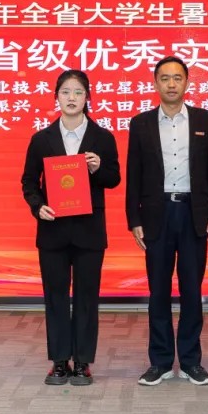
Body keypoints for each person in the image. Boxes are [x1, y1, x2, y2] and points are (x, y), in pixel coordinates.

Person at [126, 55, 208, 386]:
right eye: (165, 78)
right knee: (158, 291)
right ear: (155, 83)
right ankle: (161, 362)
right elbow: (134, 174)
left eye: (177, 78)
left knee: (192, 290)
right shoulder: (141, 123)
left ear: (187, 82)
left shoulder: (204, 120)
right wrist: (134, 218)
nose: (171, 84)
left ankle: (192, 361)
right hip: (156, 215)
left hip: (193, 213)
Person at [21, 69, 121, 386]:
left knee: (87, 297)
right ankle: (59, 361)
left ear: (87, 97)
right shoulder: (42, 139)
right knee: (55, 297)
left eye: (78, 92)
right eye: (65, 92)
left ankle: (82, 362)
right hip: (53, 231)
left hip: (89, 231)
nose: (72, 98)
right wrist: (38, 206)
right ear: (56, 97)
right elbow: (28, 182)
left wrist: (98, 168)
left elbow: (114, 179)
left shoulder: (102, 138)